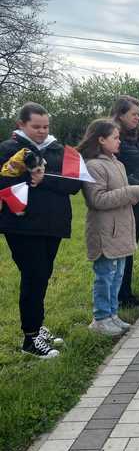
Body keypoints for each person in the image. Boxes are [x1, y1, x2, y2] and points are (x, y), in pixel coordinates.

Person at [0, 103, 82, 358]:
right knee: (33, 276)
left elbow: (74, 185)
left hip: (53, 223)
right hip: (23, 225)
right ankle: (30, 338)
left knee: (43, 275)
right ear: (21, 125)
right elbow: (5, 181)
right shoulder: (8, 149)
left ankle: (36, 326)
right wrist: (27, 177)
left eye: (45, 126)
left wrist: (45, 179)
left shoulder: (58, 149)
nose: (41, 131)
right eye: (35, 127)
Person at [78, 120, 139, 336]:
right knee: (105, 275)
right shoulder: (93, 166)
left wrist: (135, 195)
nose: (119, 141)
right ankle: (100, 318)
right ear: (100, 139)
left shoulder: (118, 163)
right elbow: (97, 199)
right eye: (115, 138)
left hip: (121, 228)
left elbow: (121, 193)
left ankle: (112, 315)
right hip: (105, 230)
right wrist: (131, 192)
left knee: (117, 275)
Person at [112, 96, 139, 310]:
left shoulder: (138, 136)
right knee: (122, 250)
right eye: (133, 114)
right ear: (120, 114)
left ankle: (126, 292)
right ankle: (120, 295)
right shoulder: (115, 139)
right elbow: (118, 171)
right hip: (126, 198)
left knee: (130, 248)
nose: (138, 117)